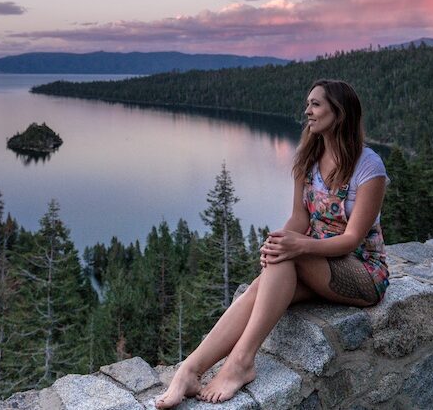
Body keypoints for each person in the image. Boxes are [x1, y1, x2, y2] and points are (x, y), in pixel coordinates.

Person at [155, 79, 389, 407]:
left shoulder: (369, 167)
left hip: (362, 273)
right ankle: (190, 370)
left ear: (340, 113)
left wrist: (296, 247)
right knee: (259, 287)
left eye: (316, 104)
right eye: (308, 103)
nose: (307, 110)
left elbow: (351, 240)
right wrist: (276, 242)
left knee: (287, 257)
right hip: (320, 265)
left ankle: (240, 363)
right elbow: (299, 219)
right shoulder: (309, 159)